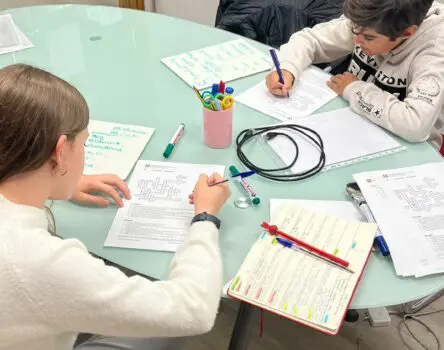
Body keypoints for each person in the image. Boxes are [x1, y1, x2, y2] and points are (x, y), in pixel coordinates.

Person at [0, 63, 231, 350]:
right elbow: (194, 310)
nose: (83, 152)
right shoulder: (43, 261)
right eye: (83, 144)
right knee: (163, 332)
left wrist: (60, 183)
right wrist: (205, 218)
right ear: (59, 153)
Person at [266, 0, 444, 151]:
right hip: (354, 126)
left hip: (408, 153)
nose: (356, 41)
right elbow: (310, 40)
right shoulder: (369, 21)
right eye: (353, 29)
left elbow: (415, 125)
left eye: (368, 38)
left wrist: (354, 89)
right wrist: (287, 68)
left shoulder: (434, 53)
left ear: (407, 33)